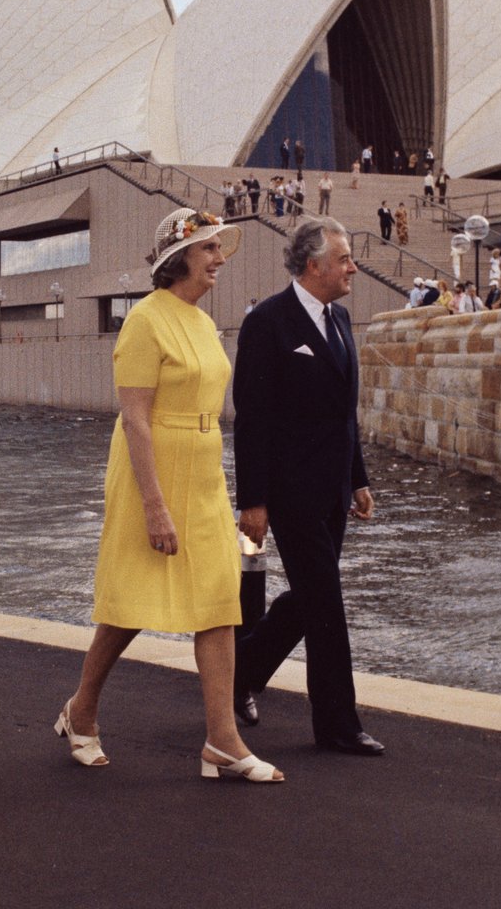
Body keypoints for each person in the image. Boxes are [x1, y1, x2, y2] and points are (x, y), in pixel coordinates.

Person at [56, 208, 283, 783]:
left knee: (217, 601)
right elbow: (135, 420)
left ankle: (221, 742)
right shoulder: (144, 322)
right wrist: (154, 505)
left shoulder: (204, 323)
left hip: (204, 470)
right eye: (209, 249)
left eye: (218, 249)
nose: (219, 259)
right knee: (129, 603)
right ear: (178, 257)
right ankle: (81, 710)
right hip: (149, 470)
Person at [233, 218, 383, 756]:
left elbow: (345, 411)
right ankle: (338, 724)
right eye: (344, 259)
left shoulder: (340, 319)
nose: (352, 268)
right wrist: (252, 501)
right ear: (314, 265)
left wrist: (357, 479)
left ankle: (241, 669)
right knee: (326, 604)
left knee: (309, 598)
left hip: (332, 491)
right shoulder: (267, 323)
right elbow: (252, 418)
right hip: (289, 491)